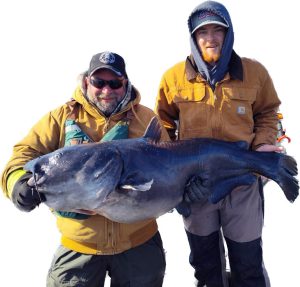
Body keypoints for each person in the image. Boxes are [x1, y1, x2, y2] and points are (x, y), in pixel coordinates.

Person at [1, 51, 169, 287]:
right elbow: (22, 155)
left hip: (139, 244)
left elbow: (171, 165)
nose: (106, 90)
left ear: (126, 83)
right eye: (99, 82)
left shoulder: (147, 120)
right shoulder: (60, 117)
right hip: (79, 247)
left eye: (114, 83)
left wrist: (187, 189)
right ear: (86, 81)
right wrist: (18, 183)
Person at [155, 1, 282, 286]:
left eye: (217, 31)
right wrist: (175, 179)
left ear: (228, 34)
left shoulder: (254, 72)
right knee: (206, 267)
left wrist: (263, 143)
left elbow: (268, 111)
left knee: (248, 265)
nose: (210, 38)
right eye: (203, 33)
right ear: (193, 37)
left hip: (243, 182)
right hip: (196, 189)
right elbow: (163, 126)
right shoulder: (173, 77)